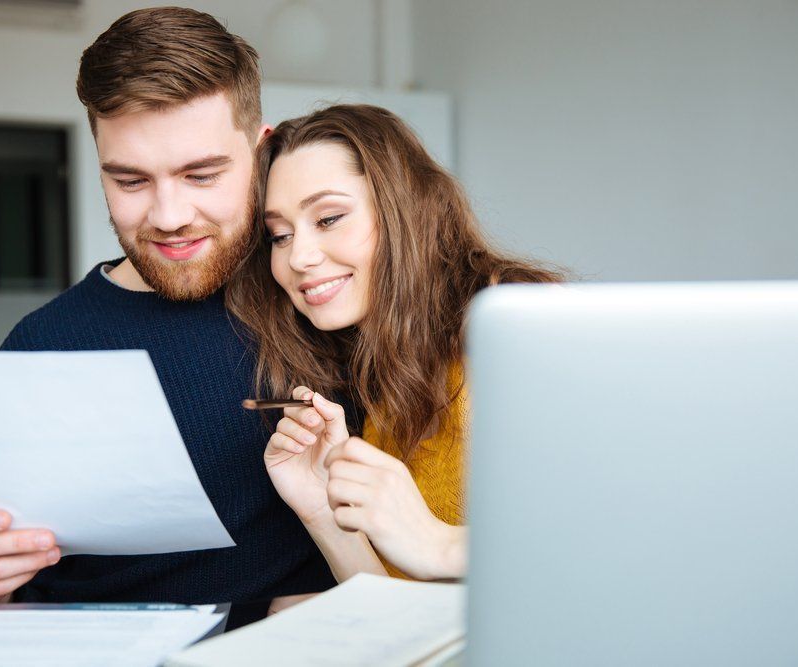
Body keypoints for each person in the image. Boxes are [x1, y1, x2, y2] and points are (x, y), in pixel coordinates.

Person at [0, 7, 337, 609]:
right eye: (130, 181)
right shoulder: (42, 347)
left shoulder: (320, 298)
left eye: (201, 175)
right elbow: (9, 597)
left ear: (261, 149)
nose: (168, 216)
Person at [226, 104, 566, 581]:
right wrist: (323, 511)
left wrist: (442, 544)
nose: (298, 257)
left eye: (328, 219)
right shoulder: (383, 376)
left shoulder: (525, 326)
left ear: (403, 209)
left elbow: (611, 535)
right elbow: (398, 618)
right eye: (279, 235)